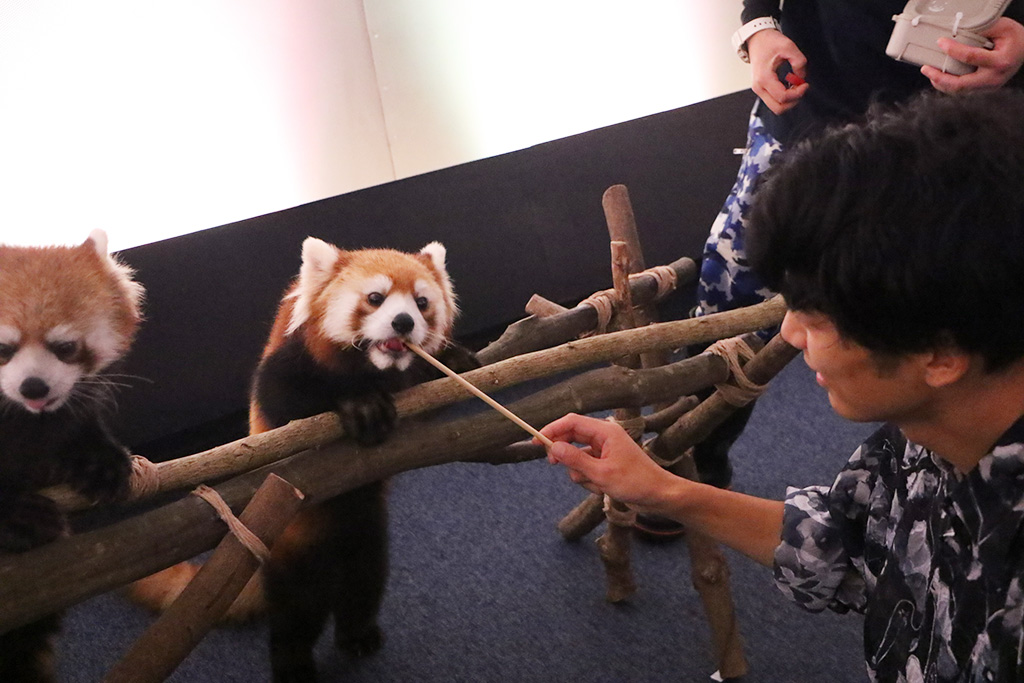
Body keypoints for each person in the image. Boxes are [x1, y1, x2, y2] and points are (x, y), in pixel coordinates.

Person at [540, 89, 1024, 681]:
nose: (790, 334)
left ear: (941, 353)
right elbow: (850, 542)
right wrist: (661, 490)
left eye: (815, 319)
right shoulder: (930, 423)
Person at [679, 0, 1024, 511]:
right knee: (725, 311)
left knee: (950, 339)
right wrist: (759, 28)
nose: (795, 331)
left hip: (967, 146)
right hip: (810, 113)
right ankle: (691, 461)